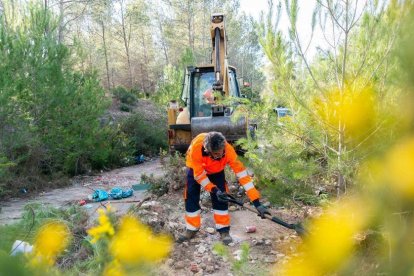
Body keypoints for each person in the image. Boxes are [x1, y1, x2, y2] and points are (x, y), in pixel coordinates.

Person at [177, 131, 269, 245]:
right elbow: (199, 175)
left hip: (216, 170)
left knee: (222, 197)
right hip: (195, 168)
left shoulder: (228, 150)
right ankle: (191, 228)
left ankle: (224, 230)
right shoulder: (197, 148)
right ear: (207, 150)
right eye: (215, 154)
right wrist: (214, 189)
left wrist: (257, 203)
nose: (218, 156)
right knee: (191, 195)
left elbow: (243, 175)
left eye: (220, 153)